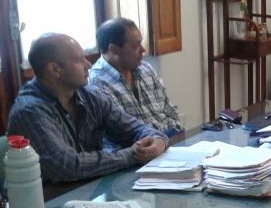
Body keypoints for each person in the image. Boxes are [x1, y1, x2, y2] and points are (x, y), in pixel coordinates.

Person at [7, 33, 168, 184]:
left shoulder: (90, 95)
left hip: (87, 189)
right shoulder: (29, 111)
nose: (89, 65)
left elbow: (133, 128)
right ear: (55, 69)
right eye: (79, 60)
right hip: (47, 198)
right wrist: (132, 154)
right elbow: (67, 166)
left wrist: (158, 140)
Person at [90, 17, 183, 137]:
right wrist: (161, 142)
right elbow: (122, 136)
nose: (143, 50)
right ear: (114, 50)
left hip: (170, 139)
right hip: (142, 146)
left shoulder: (146, 69)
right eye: (135, 46)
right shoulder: (98, 84)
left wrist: (177, 134)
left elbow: (170, 111)